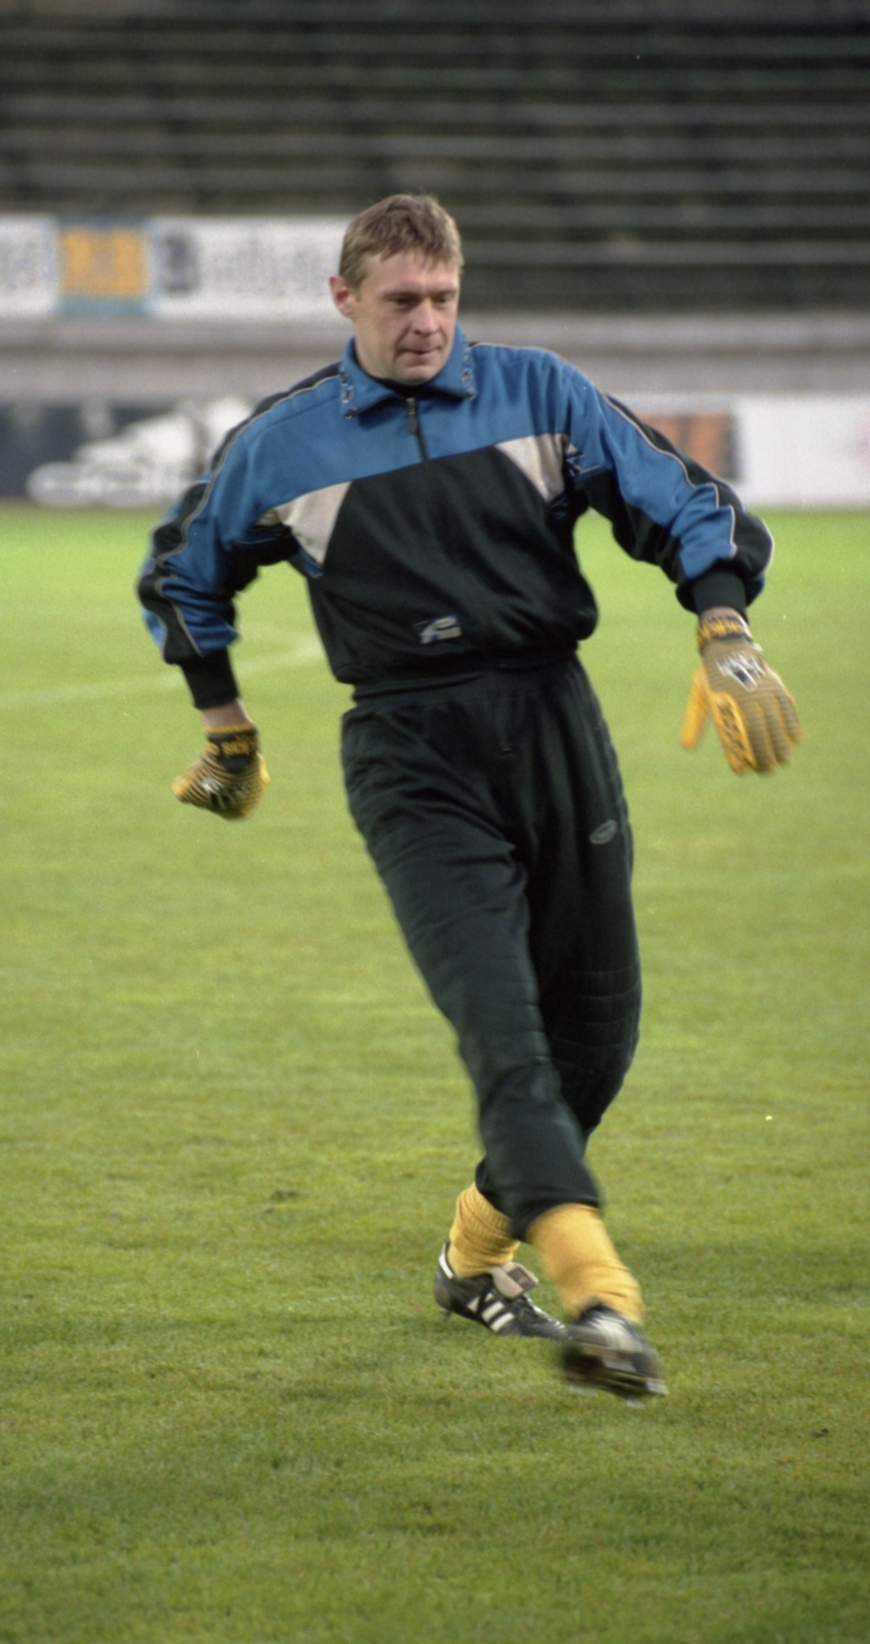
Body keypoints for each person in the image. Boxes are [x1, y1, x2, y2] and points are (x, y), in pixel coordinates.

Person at [137, 195, 800, 1401]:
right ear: (344, 300)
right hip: (411, 755)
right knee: (503, 1031)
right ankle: (603, 1301)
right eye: (402, 301)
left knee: (595, 1037)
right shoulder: (282, 442)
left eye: (444, 297)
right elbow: (183, 576)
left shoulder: (538, 391)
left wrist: (723, 625)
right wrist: (225, 730)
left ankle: (472, 1258)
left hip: (554, 724)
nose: (427, 322)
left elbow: (682, 501)